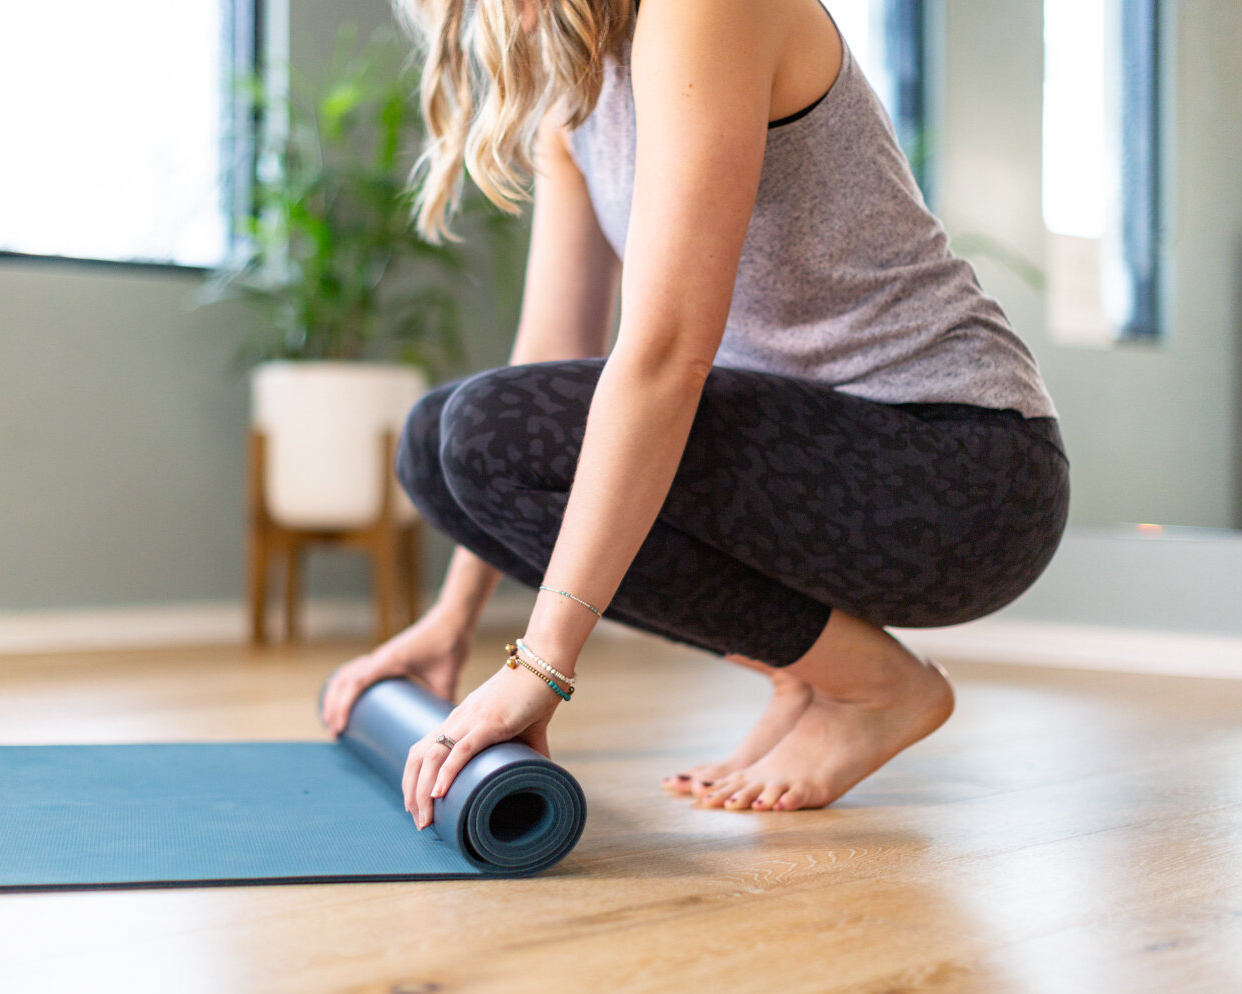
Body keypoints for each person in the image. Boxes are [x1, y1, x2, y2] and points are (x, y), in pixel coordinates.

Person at [319, 0, 1069, 830]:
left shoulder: (702, 8)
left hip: (960, 473)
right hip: (819, 463)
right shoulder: (579, 87)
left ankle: (876, 688)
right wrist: (452, 620)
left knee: (482, 434)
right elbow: (543, 365)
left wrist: (543, 665)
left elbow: (666, 355)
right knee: (437, 444)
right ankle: (812, 672)